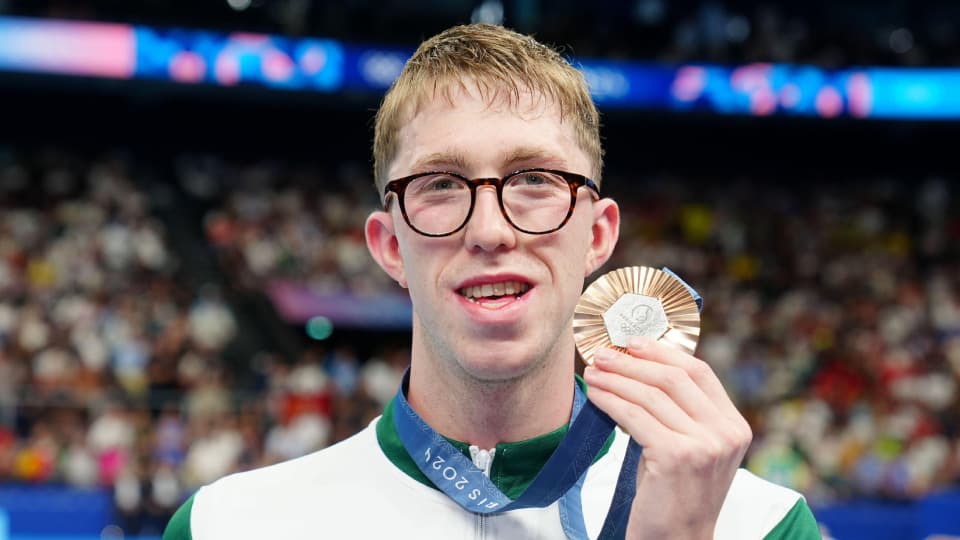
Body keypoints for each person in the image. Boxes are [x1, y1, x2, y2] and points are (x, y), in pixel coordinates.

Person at [163, 23, 821, 539]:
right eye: (441, 184)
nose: (489, 230)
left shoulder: (762, 527)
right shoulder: (230, 526)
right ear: (389, 244)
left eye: (535, 180)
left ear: (597, 233)